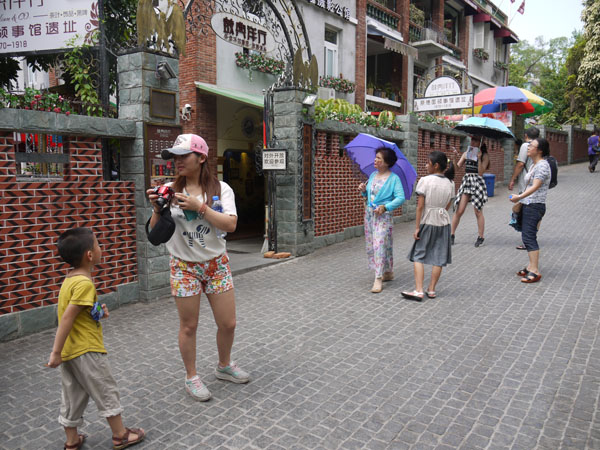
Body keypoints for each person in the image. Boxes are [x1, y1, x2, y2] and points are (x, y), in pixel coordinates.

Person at [146, 134, 249, 402]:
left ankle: (224, 365)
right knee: (189, 326)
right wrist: (157, 209)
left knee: (228, 323)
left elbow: (230, 225)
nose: (177, 161)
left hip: (216, 264)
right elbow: (154, 235)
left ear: (201, 157)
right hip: (183, 266)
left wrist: (200, 207)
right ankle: (191, 376)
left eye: (183, 156)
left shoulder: (221, 189)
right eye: (174, 157)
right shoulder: (168, 189)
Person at [47, 227, 145, 450]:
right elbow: (67, 319)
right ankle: (120, 435)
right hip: (87, 350)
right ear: (89, 255)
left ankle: (72, 441)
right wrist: (54, 352)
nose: (101, 248)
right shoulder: (84, 283)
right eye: (98, 245)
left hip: (71, 351)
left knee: (72, 395)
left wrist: (98, 311)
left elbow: (78, 310)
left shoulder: (71, 279)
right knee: (105, 389)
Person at [402, 151, 455, 301]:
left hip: (428, 220)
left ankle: (418, 290)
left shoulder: (424, 181)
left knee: (418, 254)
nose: (426, 165)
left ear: (435, 165)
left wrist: (417, 227)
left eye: (428, 162)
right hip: (443, 221)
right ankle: (431, 289)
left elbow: (420, 206)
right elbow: (448, 204)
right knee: (439, 256)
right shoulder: (451, 182)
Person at [358, 147, 405, 293]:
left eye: (379, 158)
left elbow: (400, 198)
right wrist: (363, 190)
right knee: (378, 244)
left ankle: (378, 277)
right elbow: (368, 196)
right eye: (376, 157)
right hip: (370, 216)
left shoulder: (394, 179)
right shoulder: (372, 175)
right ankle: (388, 272)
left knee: (380, 244)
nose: (375, 160)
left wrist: (385, 207)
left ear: (386, 162)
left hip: (383, 217)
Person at [509, 138, 552, 283]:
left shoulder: (542, 166)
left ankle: (535, 271)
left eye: (531, 146)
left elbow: (535, 186)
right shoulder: (534, 164)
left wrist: (519, 197)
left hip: (534, 205)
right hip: (529, 204)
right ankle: (530, 266)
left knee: (529, 237)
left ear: (539, 150)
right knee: (527, 236)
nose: (528, 148)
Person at [450, 135, 490, 247]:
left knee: (478, 211)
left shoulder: (484, 156)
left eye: (476, 140)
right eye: (472, 139)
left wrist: (479, 158)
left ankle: (481, 236)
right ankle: (451, 235)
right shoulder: (466, 153)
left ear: (481, 142)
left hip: (477, 181)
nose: (473, 142)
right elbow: (457, 168)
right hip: (467, 180)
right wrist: (454, 158)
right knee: (460, 210)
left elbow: (481, 172)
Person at [509, 127, 539, 249]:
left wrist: (512, 179)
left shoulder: (525, 146)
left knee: (525, 211)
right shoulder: (540, 147)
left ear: (526, 135)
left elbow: (520, 164)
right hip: (537, 183)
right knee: (535, 212)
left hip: (526, 184)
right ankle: (532, 237)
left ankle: (527, 240)